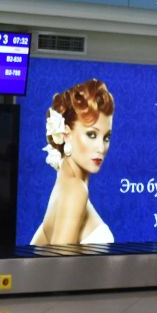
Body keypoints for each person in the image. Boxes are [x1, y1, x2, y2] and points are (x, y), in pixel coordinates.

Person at [31, 78, 115, 245]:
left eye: (106, 137)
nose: (101, 147)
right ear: (66, 134)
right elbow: (59, 268)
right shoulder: (76, 190)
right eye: (92, 134)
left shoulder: (65, 183)